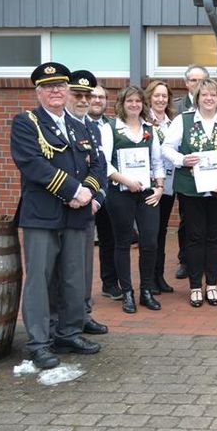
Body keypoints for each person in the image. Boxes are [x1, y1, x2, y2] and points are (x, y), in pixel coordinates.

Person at [10, 62, 103, 369]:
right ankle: (38, 342)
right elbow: (32, 163)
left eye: (60, 86)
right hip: (43, 216)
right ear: (38, 91)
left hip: (77, 216)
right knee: (40, 279)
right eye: (48, 87)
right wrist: (74, 191)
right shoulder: (27, 123)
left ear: (67, 90)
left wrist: (88, 192)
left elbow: (98, 164)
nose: (55, 91)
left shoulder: (81, 124)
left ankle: (69, 332)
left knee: (75, 278)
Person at [162, 78, 217, 308]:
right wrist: (182, 160)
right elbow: (166, 148)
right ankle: (196, 285)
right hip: (190, 189)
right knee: (195, 237)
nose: (209, 99)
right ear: (197, 98)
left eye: (213, 95)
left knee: (214, 237)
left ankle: (213, 285)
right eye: (204, 95)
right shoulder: (183, 120)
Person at [101, 85, 165, 313]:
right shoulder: (110, 128)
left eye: (138, 101)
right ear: (122, 103)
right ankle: (127, 291)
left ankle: (146, 290)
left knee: (150, 242)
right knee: (123, 242)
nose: (134, 105)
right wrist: (126, 180)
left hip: (147, 194)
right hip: (120, 193)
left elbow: (157, 163)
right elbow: (104, 163)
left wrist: (159, 187)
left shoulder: (150, 129)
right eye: (130, 101)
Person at [60, 71, 109, 335]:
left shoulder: (90, 126)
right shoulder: (62, 125)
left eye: (86, 96)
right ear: (67, 94)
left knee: (85, 267)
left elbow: (99, 167)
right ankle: (67, 321)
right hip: (67, 206)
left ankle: (83, 313)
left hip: (88, 206)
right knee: (69, 269)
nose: (82, 100)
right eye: (77, 95)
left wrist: (95, 198)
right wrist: (80, 195)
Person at [172, 65, 208, 280]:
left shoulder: (214, 106)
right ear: (186, 83)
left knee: (207, 220)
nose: (196, 84)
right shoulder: (177, 108)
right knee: (187, 220)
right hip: (186, 175)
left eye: (201, 81)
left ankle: (204, 260)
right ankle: (185, 260)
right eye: (193, 80)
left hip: (210, 174)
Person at [87, 84, 119, 302]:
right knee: (83, 242)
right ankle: (81, 292)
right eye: (93, 96)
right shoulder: (77, 123)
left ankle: (109, 283)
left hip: (107, 190)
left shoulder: (113, 125)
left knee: (110, 238)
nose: (97, 100)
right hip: (83, 191)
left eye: (101, 97)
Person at [145, 81, 176, 294]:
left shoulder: (172, 123)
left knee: (162, 231)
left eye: (164, 96)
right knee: (151, 233)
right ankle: (148, 279)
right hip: (148, 185)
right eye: (157, 96)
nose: (160, 100)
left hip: (168, 184)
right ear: (149, 97)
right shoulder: (142, 122)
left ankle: (159, 276)